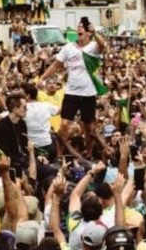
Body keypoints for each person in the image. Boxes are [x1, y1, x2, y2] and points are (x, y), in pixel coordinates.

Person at [40, 18, 107, 157]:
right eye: (78, 27)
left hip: (88, 93)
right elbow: (55, 65)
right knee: (64, 124)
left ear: (88, 32)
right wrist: (42, 78)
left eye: (83, 27)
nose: (79, 29)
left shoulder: (93, 46)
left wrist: (95, 32)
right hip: (71, 92)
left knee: (89, 127)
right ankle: (59, 154)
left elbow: (103, 45)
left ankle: (89, 154)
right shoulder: (68, 47)